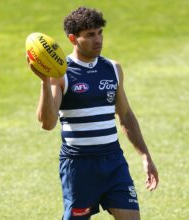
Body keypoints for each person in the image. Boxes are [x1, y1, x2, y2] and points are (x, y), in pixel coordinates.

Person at [27, 6, 159, 220]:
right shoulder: (61, 74)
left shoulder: (112, 68)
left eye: (100, 33)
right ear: (73, 39)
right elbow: (47, 123)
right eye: (90, 35)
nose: (98, 40)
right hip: (79, 166)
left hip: (113, 161)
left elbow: (125, 115)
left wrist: (145, 156)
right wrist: (45, 81)